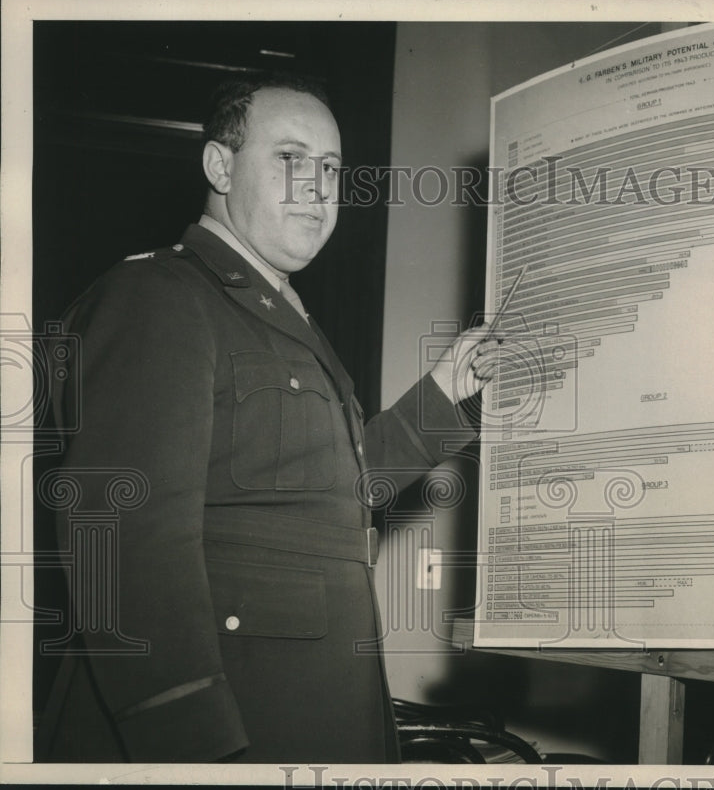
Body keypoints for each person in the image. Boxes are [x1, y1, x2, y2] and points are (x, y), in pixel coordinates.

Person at [37, 74, 500, 763]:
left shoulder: (281, 313)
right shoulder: (158, 296)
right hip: (227, 731)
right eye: (290, 158)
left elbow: (332, 494)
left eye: (332, 168)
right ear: (220, 166)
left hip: (307, 710)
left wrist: (443, 393)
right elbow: (123, 534)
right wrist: (190, 738)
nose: (318, 186)